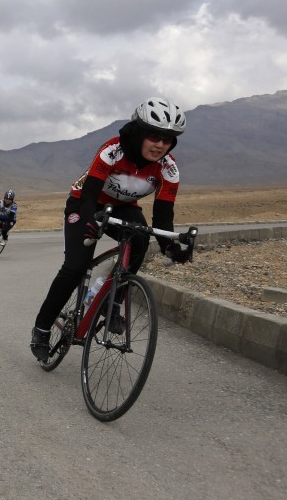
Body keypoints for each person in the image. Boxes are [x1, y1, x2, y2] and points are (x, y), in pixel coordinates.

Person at [29, 97, 191, 362]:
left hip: (123, 207)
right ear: (139, 132)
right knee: (75, 267)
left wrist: (169, 247)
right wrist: (91, 222)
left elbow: (163, 215)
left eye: (168, 139)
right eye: (154, 136)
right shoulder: (113, 150)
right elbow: (90, 192)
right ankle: (42, 328)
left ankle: (113, 304)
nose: (161, 145)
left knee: (140, 239)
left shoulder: (169, 168)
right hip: (87, 202)